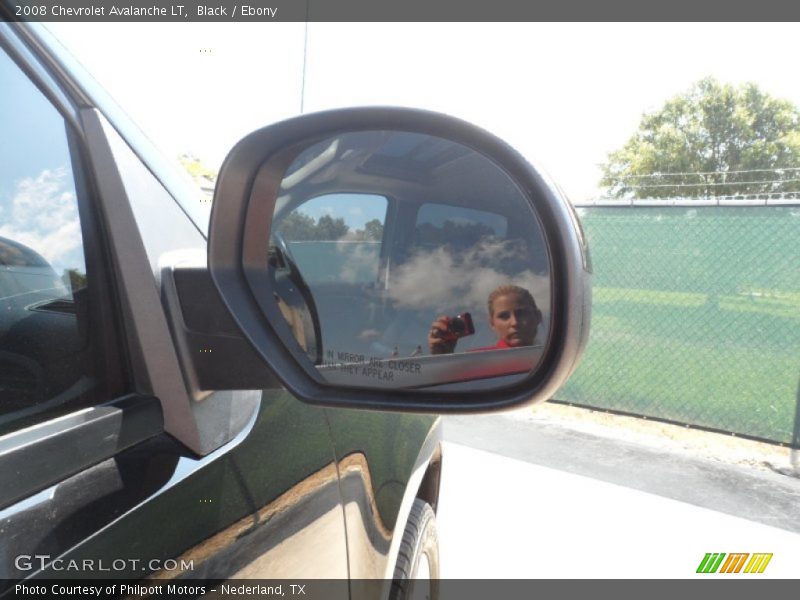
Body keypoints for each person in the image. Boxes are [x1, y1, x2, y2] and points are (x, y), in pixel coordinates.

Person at [428, 284, 542, 354]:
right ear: (492, 323)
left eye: (521, 313)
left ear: (538, 317)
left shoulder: (557, 361)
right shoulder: (473, 363)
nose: (514, 322)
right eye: (504, 316)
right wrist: (444, 359)